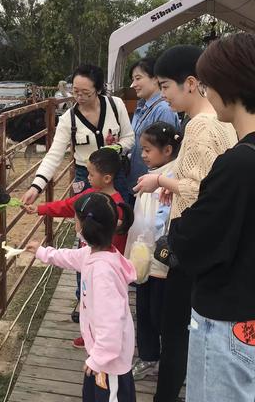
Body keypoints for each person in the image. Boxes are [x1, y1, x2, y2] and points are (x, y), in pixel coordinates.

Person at [133, 45, 238, 402]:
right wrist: (174, 186)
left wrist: (162, 182)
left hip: (189, 244)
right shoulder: (223, 125)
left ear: (190, 83)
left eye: (165, 86)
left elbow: (197, 190)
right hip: (215, 246)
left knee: (173, 330)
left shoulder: (198, 127)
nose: (163, 95)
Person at [167, 33, 255, 402]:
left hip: (227, 321)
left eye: (207, 83)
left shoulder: (239, 164)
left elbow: (190, 241)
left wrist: (177, 228)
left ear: (227, 84)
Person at [25, 192, 136, 402]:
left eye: (75, 220)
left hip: (110, 364)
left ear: (86, 227)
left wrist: (98, 359)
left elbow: (111, 324)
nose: (75, 225)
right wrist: (42, 252)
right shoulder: (93, 254)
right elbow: (67, 257)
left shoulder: (103, 274)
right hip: (99, 355)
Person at [21, 63, 134, 205]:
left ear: (98, 89)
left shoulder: (116, 105)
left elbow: (129, 138)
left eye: (86, 93)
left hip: (114, 176)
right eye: (75, 91)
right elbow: (53, 155)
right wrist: (36, 187)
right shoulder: (68, 119)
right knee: (87, 220)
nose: (79, 97)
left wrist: (115, 148)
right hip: (86, 178)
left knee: (119, 219)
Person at [127, 121, 181, 381]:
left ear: (168, 150)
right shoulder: (151, 176)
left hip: (162, 262)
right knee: (145, 310)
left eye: (148, 150)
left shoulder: (173, 177)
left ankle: (171, 362)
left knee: (161, 314)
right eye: (142, 150)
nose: (143, 155)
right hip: (142, 257)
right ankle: (148, 357)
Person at [127, 58, 180, 206]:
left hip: (155, 190)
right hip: (140, 181)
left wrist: (160, 182)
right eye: (132, 79)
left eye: (138, 78)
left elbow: (166, 154)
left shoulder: (163, 109)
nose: (134, 84)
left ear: (155, 78)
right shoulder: (142, 107)